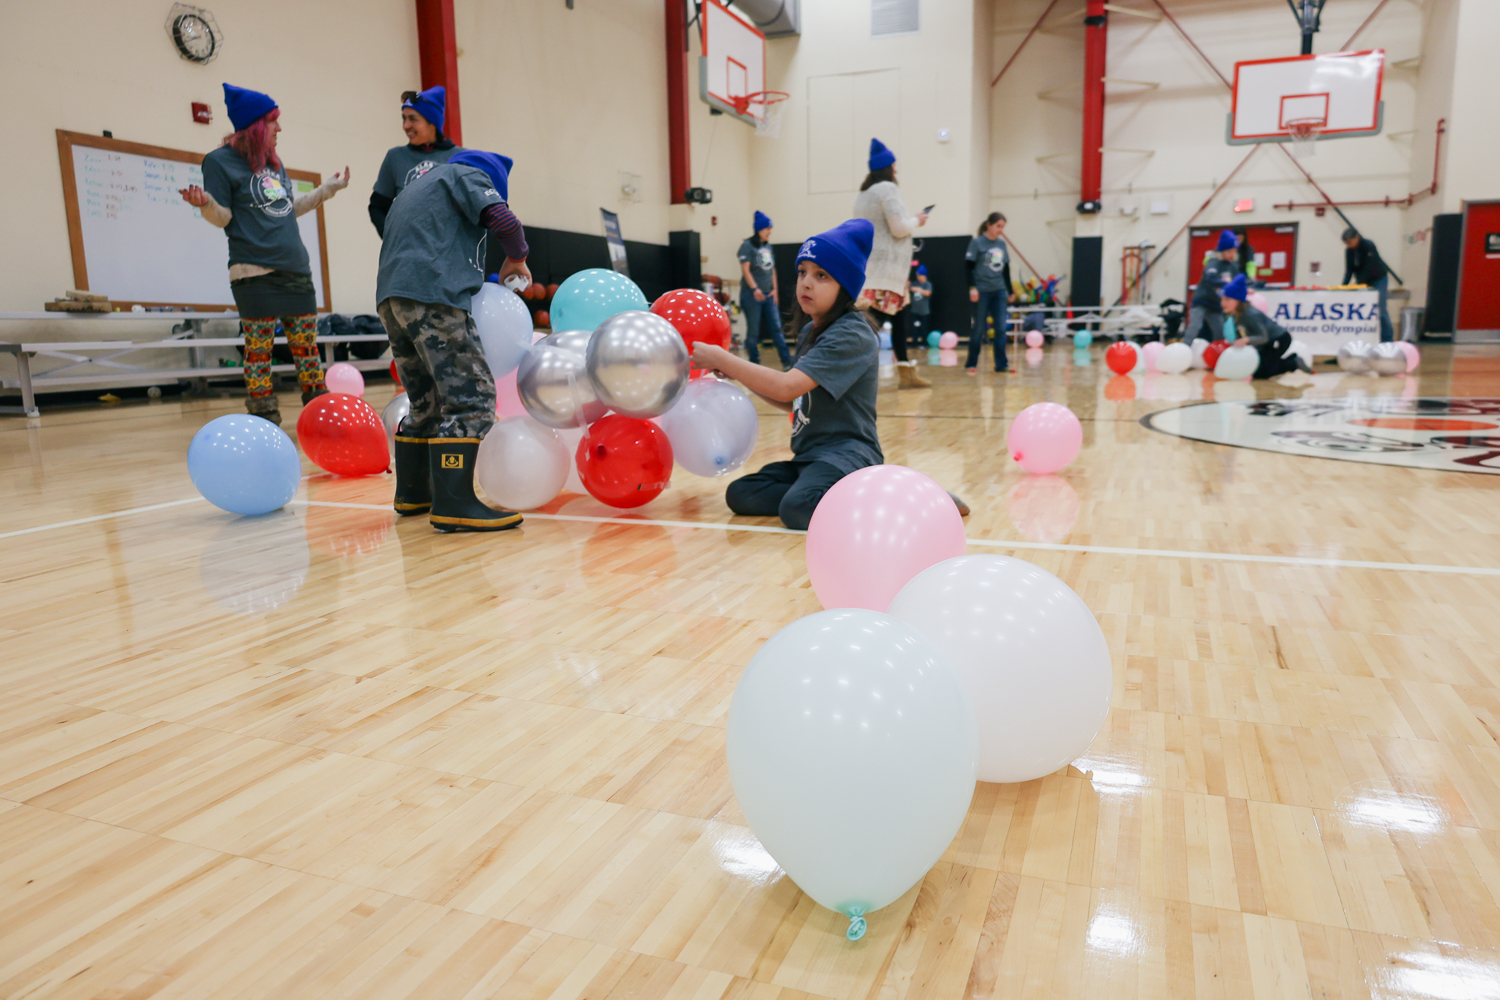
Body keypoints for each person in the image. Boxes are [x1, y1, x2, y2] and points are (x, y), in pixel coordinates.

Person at [688, 220, 881, 530]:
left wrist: (725, 358)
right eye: (802, 272)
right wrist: (736, 373)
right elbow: (795, 399)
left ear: (844, 288)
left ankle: (884, 492)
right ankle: (825, 494)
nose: (806, 283)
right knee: (742, 494)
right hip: (810, 457)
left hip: (848, 458)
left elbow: (787, 387)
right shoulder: (811, 330)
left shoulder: (852, 333)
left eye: (821, 276)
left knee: (798, 508)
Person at [376, 150, 531, 532]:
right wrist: (517, 258)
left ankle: (413, 494)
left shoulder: (417, 187)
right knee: (472, 398)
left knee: (425, 399)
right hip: (433, 296)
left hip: (392, 298)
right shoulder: (468, 175)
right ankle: (455, 502)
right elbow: (504, 221)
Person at [180, 83, 348, 425]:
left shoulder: (273, 163)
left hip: (295, 269)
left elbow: (286, 208)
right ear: (258, 125)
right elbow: (223, 216)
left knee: (307, 353)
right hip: (253, 273)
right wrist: (205, 204)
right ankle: (265, 421)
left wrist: (326, 190)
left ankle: (319, 420)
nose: (279, 129)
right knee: (258, 353)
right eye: (274, 122)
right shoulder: (219, 162)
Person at [852, 138, 930, 388]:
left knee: (893, 321)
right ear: (886, 168)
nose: (896, 171)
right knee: (872, 328)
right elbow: (898, 228)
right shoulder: (887, 189)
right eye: (894, 167)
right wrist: (917, 220)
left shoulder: (863, 194)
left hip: (872, 272)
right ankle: (853, 375)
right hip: (886, 275)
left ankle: (905, 373)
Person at [368, 86, 462, 238]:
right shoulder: (395, 157)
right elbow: (377, 207)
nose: (406, 126)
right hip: (410, 256)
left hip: (451, 254)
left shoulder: (461, 158)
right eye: (404, 118)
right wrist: (393, 240)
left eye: (413, 119)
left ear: (432, 123)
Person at [1222, 274, 1311, 378]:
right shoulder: (1236, 314)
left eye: (1227, 300)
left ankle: (1293, 363)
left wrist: (1246, 340)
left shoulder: (1250, 315)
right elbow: (1241, 333)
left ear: (1238, 301)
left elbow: (1263, 337)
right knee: (1258, 369)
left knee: (1262, 372)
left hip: (1279, 339)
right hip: (1266, 342)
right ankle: (1284, 361)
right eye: (1222, 299)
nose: (1223, 303)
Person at [737, 211, 793, 368]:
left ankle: (787, 362)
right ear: (759, 229)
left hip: (769, 295)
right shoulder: (747, 246)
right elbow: (745, 270)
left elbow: (772, 269)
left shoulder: (767, 246)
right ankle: (754, 364)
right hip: (751, 295)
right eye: (768, 229)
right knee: (753, 331)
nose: (770, 232)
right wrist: (755, 289)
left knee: (777, 328)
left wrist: (775, 289)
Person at [965, 212, 1014, 373]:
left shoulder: (1001, 244)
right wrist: (972, 288)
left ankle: (1001, 364)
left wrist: (1010, 290)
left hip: (999, 291)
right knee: (979, 329)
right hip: (982, 291)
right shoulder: (977, 243)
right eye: (998, 226)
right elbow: (967, 268)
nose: (1001, 230)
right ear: (989, 225)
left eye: (1003, 227)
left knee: (1000, 328)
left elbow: (1006, 268)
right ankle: (971, 363)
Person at [1185, 229, 1239, 344]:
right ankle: (1184, 349)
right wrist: (1229, 284)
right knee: (1195, 326)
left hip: (1215, 304)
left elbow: (1238, 280)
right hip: (1201, 301)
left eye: (1234, 251)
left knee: (1219, 331)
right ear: (1223, 251)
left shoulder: (1232, 266)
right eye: (1229, 251)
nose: (1232, 254)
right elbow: (1211, 279)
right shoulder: (1214, 262)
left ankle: (1217, 355)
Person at [1343, 227, 1394, 342]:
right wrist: (1344, 286)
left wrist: (1358, 283)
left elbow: (1370, 266)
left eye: (1349, 242)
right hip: (1363, 280)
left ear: (1357, 238)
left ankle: (1387, 339)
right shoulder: (1349, 251)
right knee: (1361, 309)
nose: (1348, 245)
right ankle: (1365, 338)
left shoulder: (1368, 245)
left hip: (1378, 278)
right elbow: (1349, 269)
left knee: (1380, 308)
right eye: (1346, 243)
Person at [908, 264, 933, 347]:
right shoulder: (915, 283)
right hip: (915, 311)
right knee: (916, 327)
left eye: (921, 275)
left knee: (924, 328)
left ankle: (924, 344)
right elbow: (910, 287)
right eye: (918, 276)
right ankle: (914, 343)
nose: (919, 277)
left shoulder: (927, 284)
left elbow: (928, 293)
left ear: (924, 276)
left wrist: (918, 290)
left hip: (924, 312)